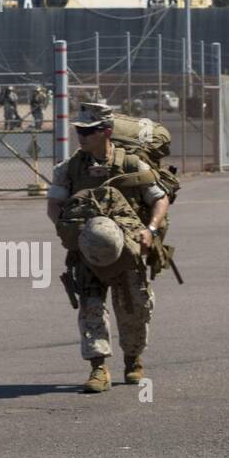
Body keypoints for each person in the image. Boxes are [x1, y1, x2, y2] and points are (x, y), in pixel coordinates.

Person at [46, 102, 170, 393]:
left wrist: (150, 231)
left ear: (107, 132)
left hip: (129, 249)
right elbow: (54, 204)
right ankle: (98, 367)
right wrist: (69, 231)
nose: (82, 136)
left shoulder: (131, 165)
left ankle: (133, 360)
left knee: (133, 307)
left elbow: (159, 199)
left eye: (89, 131)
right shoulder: (70, 168)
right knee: (91, 307)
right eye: (79, 130)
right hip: (87, 251)